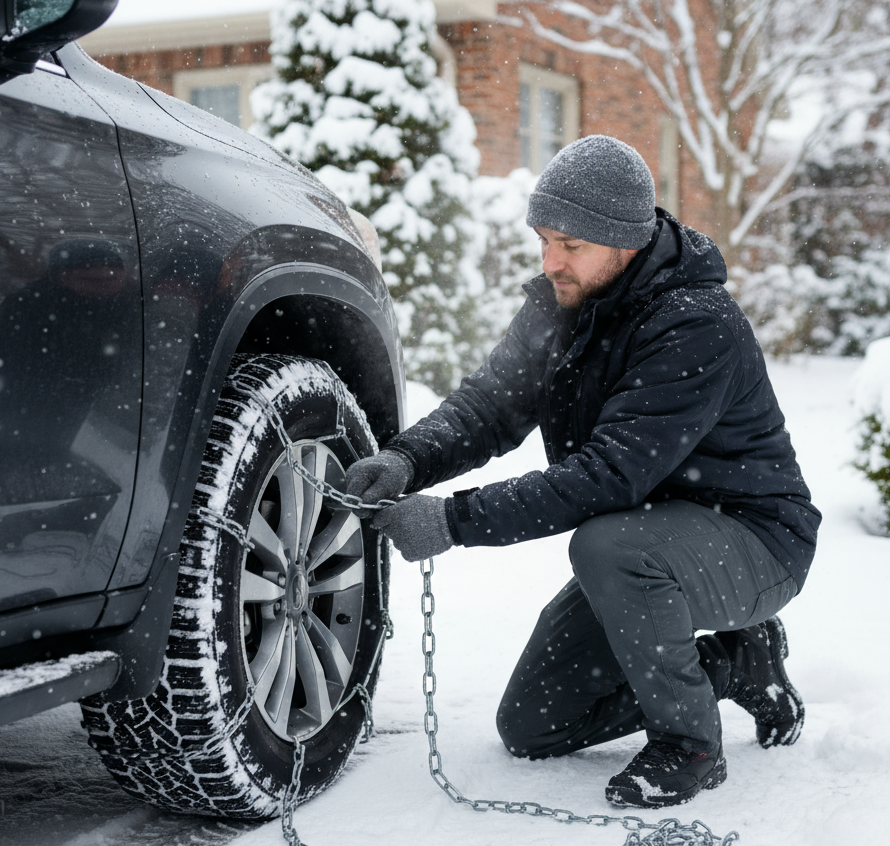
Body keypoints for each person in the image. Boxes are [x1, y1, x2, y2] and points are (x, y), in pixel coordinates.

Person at [345, 136, 819, 808]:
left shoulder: (694, 324)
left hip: (755, 539)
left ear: (623, 240)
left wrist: (453, 521)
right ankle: (738, 661)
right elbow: (490, 407)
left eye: (570, 244)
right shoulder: (560, 305)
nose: (551, 262)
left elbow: (608, 476)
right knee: (534, 723)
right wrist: (407, 458)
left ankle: (689, 745)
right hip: (648, 545)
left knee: (604, 544)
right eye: (544, 240)